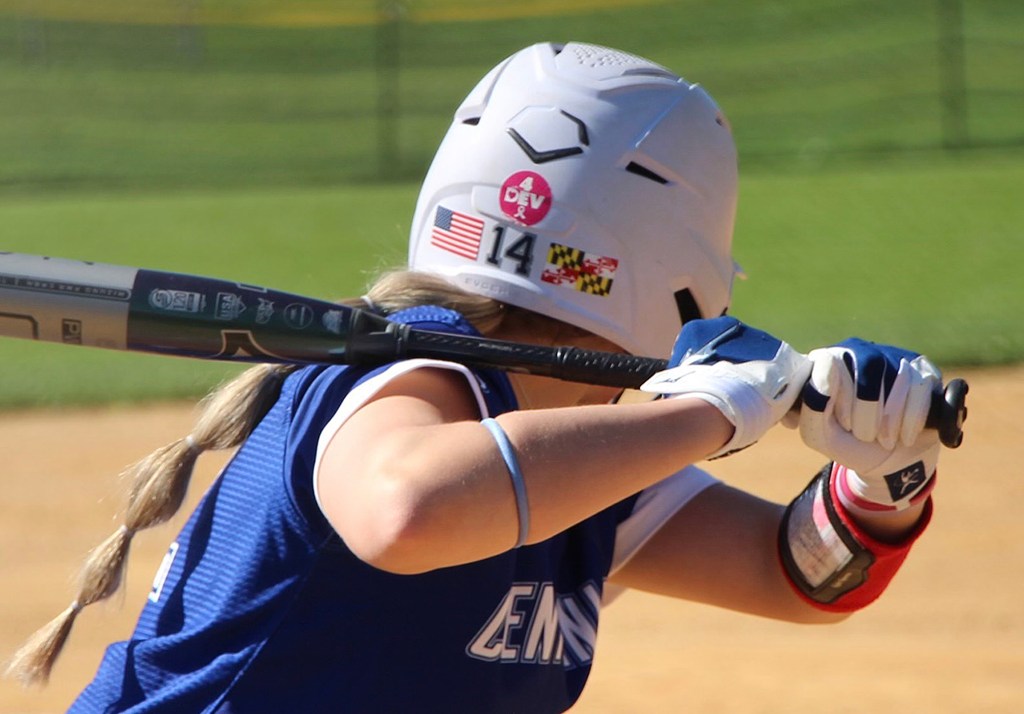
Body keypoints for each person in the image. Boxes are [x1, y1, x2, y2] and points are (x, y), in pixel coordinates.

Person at [8, 42, 942, 713]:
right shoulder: (410, 382)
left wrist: (880, 486)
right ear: (685, 272)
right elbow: (408, 510)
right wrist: (706, 412)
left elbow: (797, 575)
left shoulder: (585, 467)